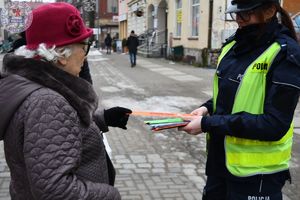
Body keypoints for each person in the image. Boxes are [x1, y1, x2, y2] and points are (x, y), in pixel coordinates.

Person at [0, 3, 132, 199]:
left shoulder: (35, 87)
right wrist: (110, 195)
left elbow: (57, 128)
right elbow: (56, 191)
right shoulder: (47, 102)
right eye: (84, 47)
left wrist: (102, 118)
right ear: (61, 55)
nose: (85, 57)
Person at [179, 0, 300, 199]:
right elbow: (230, 94)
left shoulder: (285, 54)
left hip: (257, 176)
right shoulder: (233, 46)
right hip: (220, 164)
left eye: (245, 13)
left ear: (269, 11)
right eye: (236, 13)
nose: (238, 19)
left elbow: (274, 124)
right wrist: (206, 109)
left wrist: (208, 124)